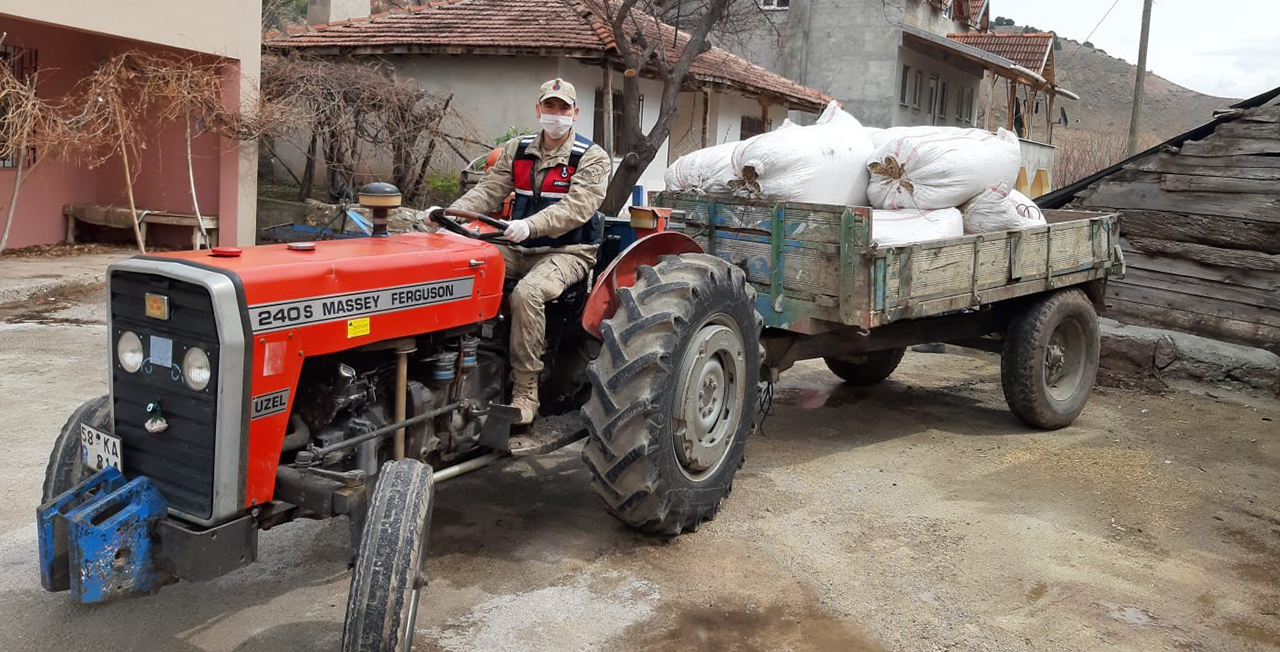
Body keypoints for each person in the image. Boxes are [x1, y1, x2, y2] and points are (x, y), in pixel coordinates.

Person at [442, 78, 610, 425]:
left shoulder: (591, 157)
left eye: (563, 108)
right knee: (460, 265)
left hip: (568, 251)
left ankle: (525, 392)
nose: (556, 113)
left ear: (575, 113)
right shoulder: (517, 150)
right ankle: (456, 366)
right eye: (550, 106)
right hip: (518, 247)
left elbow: (577, 208)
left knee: (527, 293)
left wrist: (531, 225)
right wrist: (448, 216)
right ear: (538, 109)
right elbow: (488, 191)